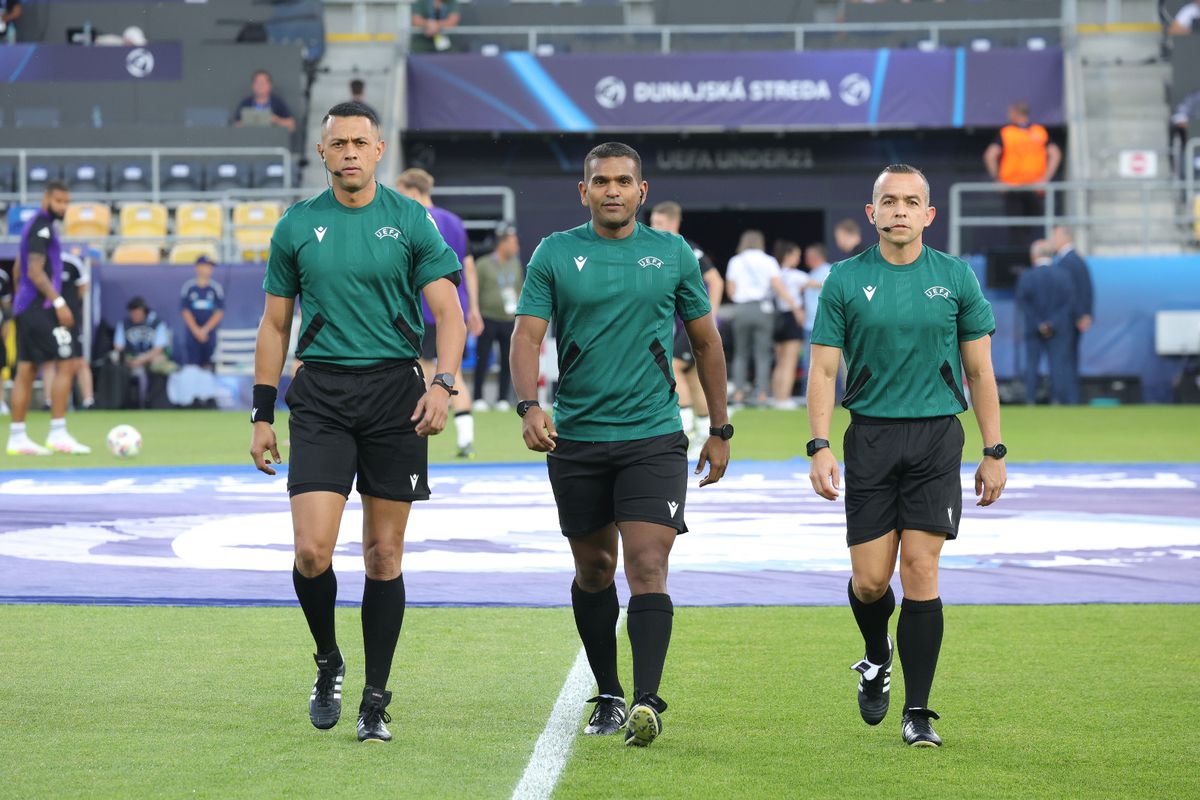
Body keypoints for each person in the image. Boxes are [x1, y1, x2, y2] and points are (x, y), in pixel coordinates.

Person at [250, 101, 466, 744]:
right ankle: (328, 660)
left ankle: (375, 698)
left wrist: (443, 383)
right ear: (322, 152)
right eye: (337, 143)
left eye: (359, 143)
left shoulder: (411, 220)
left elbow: (450, 313)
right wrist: (262, 412)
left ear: (378, 150)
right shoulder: (296, 225)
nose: (348, 152)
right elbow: (275, 325)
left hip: (395, 395)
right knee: (311, 552)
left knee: (383, 554)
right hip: (320, 394)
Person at [510, 141, 730, 748]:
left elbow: (706, 343)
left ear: (642, 191)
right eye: (601, 181)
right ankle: (608, 691)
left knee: (648, 564)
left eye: (623, 181)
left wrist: (719, 428)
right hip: (576, 438)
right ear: (584, 191)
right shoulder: (555, 252)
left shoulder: (672, 253)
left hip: (653, 437)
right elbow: (526, 337)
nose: (613, 190)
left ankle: (646, 700)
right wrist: (529, 406)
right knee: (595, 568)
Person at [806, 163, 1006, 748]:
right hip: (869, 438)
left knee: (920, 568)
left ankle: (918, 712)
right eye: (889, 201)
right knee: (870, 582)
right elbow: (823, 370)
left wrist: (994, 450)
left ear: (928, 214)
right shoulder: (845, 279)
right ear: (872, 213)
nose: (899, 210)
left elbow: (979, 370)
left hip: (936, 438)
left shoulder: (955, 277)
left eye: (911, 201)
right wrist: (819, 444)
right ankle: (876, 654)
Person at [396, 167, 483, 458]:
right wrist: (473, 308)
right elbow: (468, 267)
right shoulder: (455, 221)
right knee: (453, 372)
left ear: (413, 191)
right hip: (455, 308)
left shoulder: (412, 219)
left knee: (419, 372)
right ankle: (466, 438)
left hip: (423, 307)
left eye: (402, 193)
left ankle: (416, 436)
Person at [6, 181, 90, 456]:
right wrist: (58, 301)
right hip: (39, 307)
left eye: (66, 202)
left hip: (27, 308)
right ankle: (58, 433)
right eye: (58, 201)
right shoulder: (41, 226)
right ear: (46, 199)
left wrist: (20, 301)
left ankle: (17, 437)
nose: (63, 207)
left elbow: (18, 267)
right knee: (67, 361)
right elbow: (34, 270)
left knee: (27, 369)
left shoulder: (37, 226)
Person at [648, 201, 724, 449]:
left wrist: (710, 316)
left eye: (659, 223)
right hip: (679, 326)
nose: (654, 227)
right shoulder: (655, 249)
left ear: (674, 223)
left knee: (673, 367)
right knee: (693, 377)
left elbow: (716, 280)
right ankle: (703, 433)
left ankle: (687, 431)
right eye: (652, 222)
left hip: (693, 324)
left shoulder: (687, 249)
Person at [725, 229, 803, 407]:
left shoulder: (736, 261)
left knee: (741, 353)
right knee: (763, 354)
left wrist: (742, 298)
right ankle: (761, 394)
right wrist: (794, 307)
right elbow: (778, 286)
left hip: (742, 308)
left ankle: (739, 393)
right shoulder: (768, 261)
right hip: (763, 308)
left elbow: (730, 290)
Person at [983, 101, 1062, 241]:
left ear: (1014, 113)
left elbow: (990, 155)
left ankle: (1023, 254)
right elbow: (1055, 153)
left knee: (1018, 230)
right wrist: (1045, 179)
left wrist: (997, 179)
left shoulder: (1007, 132)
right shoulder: (1039, 131)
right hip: (1033, 187)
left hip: (1015, 187)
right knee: (1035, 229)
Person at [1016, 239, 1075, 404]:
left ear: (1033, 255)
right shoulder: (1063, 275)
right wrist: (1052, 323)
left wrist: (1039, 324)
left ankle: (1030, 400)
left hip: (1033, 329)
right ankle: (1056, 400)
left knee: (1031, 365)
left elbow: (1023, 302)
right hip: (1058, 329)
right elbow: (1068, 303)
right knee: (1057, 366)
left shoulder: (1027, 276)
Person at [471, 223, 522, 410]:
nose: (517, 247)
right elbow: (474, 290)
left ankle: (502, 398)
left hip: (509, 320)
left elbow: (519, 289)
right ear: (503, 243)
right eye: (514, 242)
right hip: (487, 318)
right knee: (482, 359)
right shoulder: (483, 264)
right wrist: (474, 313)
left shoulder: (515, 264)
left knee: (508, 360)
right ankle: (478, 398)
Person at [39, 250, 95, 410]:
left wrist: (69, 308)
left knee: (79, 360)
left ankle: (88, 401)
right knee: (49, 361)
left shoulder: (72, 263)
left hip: (70, 321)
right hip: (48, 320)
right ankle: (49, 401)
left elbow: (83, 287)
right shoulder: (40, 264)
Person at [1049, 225, 1094, 405]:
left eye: (1055, 236)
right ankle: (1068, 398)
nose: (1052, 240)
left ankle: (1068, 399)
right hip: (1068, 319)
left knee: (1066, 360)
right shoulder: (1066, 260)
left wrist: (1083, 314)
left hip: (1069, 320)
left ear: (1066, 237)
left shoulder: (1072, 261)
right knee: (1066, 360)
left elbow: (1083, 289)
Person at [114, 296, 174, 408]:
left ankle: (155, 402)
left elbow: (159, 348)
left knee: (159, 361)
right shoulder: (124, 324)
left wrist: (142, 359)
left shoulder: (157, 323)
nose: (135, 315)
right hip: (131, 358)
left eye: (138, 312)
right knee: (114, 358)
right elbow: (119, 347)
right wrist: (128, 359)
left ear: (144, 312)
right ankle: (125, 403)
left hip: (150, 358)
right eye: (133, 313)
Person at [770, 240, 806, 409]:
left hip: (778, 318)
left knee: (780, 361)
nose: (798, 259)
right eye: (797, 255)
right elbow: (819, 283)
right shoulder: (796, 275)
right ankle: (784, 399)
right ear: (788, 255)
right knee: (790, 361)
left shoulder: (775, 273)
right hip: (791, 317)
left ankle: (777, 396)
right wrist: (797, 310)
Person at [180, 255, 225, 369]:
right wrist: (196, 331)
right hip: (192, 333)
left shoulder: (216, 288)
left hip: (209, 333)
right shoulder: (189, 287)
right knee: (193, 366)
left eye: (211, 267)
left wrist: (205, 330)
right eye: (206, 266)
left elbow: (219, 312)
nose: (209, 269)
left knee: (208, 364)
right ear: (198, 267)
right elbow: (185, 311)